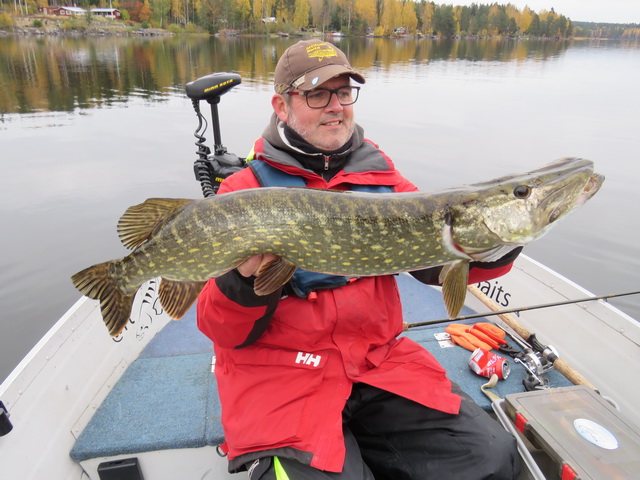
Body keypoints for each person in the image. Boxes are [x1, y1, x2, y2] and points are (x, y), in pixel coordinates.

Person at [197, 39, 522, 480]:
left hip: (378, 365)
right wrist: (240, 281)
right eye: (317, 94)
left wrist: (501, 236)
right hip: (282, 379)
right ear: (282, 105)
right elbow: (222, 330)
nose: (336, 107)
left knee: (489, 456)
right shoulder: (244, 190)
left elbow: (442, 258)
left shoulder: (383, 180)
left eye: (344, 92)